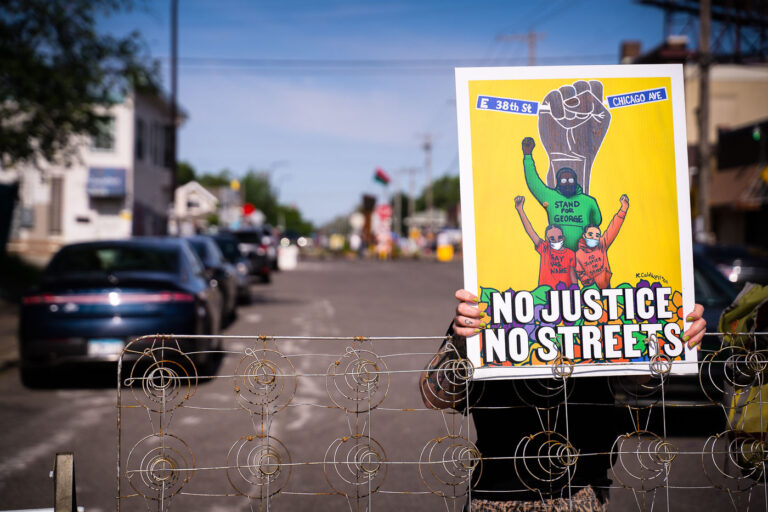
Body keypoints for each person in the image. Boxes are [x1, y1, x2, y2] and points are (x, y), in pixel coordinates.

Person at [419, 291, 706, 511]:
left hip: (582, 493)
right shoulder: (487, 304)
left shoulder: (604, 302)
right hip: (496, 495)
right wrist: (461, 341)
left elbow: (634, 382)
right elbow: (434, 396)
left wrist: (672, 340)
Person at [522, 137, 602, 251]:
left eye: (571, 180)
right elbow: (534, 183)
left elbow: (597, 221)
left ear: (576, 181)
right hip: (557, 258)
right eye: (564, 181)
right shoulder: (550, 197)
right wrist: (527, 156)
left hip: (583, 257)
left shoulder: (589, 201)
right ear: (558, 183)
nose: (568, 184)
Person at [514, 195, 577, 288]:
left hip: (565, 294)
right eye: (552, 238)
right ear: (547, 240)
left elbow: (572, 275)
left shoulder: (570, 253)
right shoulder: (544, 248)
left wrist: (576, 288)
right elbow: (530, 231)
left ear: (563, 238)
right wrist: (520, 209)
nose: (556, 240)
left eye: (559, 237)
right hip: (546, 293)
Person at [575, 194, 629, 289]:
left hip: (606, 285)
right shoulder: (579, 254)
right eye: (590, 234)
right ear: (584, 236)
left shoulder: (602, 244)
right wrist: (590, 281)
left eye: (597, 235)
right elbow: (579, 272)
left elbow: (613, 228)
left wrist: (623, 209)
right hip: (590, 288)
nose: (593, 238)